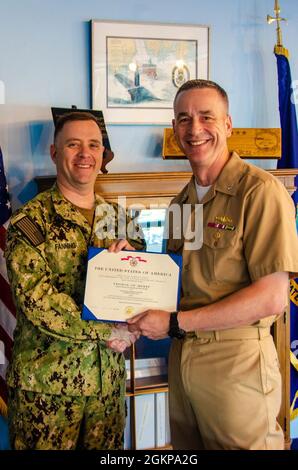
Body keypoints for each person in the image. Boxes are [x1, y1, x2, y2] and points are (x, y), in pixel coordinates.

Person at [128, 79, 298, 450]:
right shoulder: (180, 203)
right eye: (184, 119)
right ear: (175, 129)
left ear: (228, 125)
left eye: (207, 117)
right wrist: (127, 263)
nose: (195, 129)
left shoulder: (259, 192)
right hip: (183, 361)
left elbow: (272, 298)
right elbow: (172, 285)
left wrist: (174, 323)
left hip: (236, 365)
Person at [5, 111, 145, 450]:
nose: (85, 154)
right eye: (73, 145)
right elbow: (39, 302)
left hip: (107, 390)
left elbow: (143, 292)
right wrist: (110, 331)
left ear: (103, 155)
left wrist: (138, 323)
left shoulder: (121, 221)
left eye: (94, 145)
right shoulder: (29, 222)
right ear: (55, 153)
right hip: (48, 392)